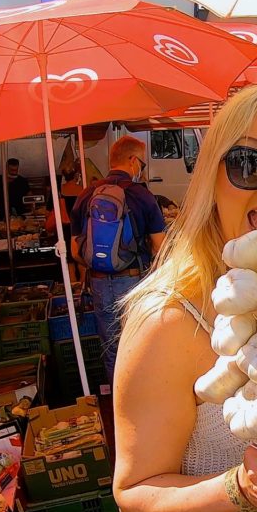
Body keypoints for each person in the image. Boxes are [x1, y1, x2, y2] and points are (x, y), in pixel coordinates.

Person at [113, 86, 257, 512]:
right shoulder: (168, 319)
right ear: (211, 176)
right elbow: (134, 495)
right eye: (249, 164)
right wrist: (239, 489)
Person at [71, 136, 165, 382]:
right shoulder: (142, 195)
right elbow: (159, 246)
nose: (141, 170)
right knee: (139, 343)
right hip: (134, 280)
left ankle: (118, 405)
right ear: (133, 161)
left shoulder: (86, 195)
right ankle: (143, 400)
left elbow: (74, 251)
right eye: (142, 165)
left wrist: (101, 262)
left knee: (111, 347)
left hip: (100, 282)